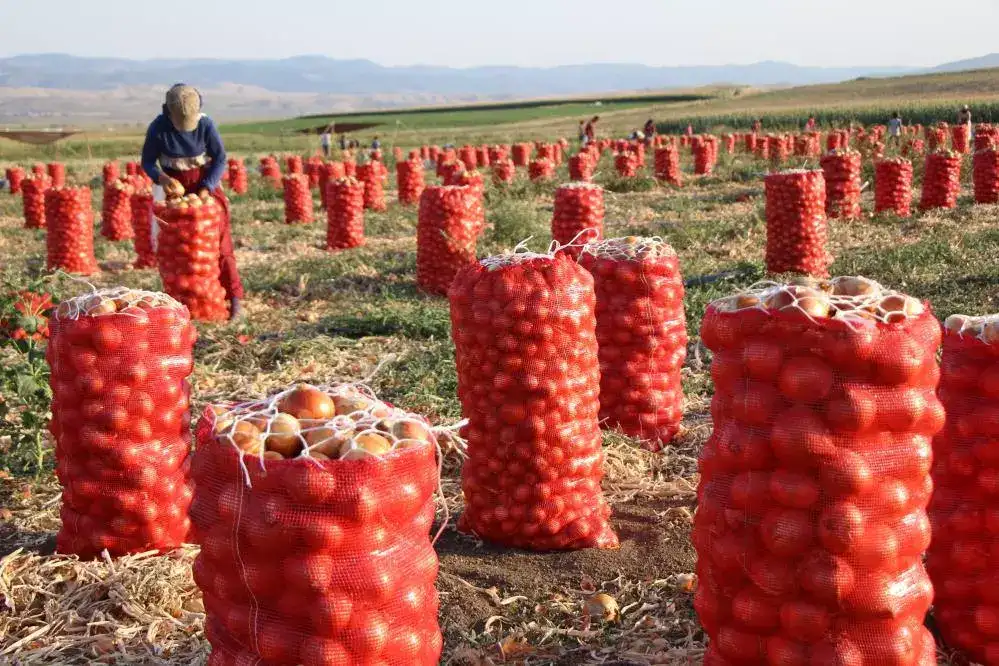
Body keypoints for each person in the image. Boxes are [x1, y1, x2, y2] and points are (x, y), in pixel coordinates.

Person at [141, 84, 243, 320]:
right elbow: (147, 162)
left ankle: (234, 300)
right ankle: (184, 304)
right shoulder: (158, 128)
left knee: (220, 245)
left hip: (204, 186)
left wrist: (207, 187)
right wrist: (163, 178)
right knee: (177, 249)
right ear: (168, 112)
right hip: (174, 193)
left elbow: (220, 158)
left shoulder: (205, 124)